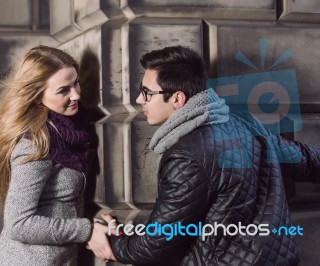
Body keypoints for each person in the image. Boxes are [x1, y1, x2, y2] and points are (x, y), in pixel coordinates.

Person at [103, 46, 320, 265]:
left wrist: (112, 245)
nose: (139, 99)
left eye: (147, 93)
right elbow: (308, 160)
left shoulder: (186, 156)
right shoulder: (245, 122)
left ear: (177, 98)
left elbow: (158, 242)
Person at [0, 45, 115, 265]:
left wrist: (98, 224)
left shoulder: (73, 127)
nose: (76, 95)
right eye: (64, 90)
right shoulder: (36, 143)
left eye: (76, 83)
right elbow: (19, 224)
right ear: (37, 96)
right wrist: (87, 229)